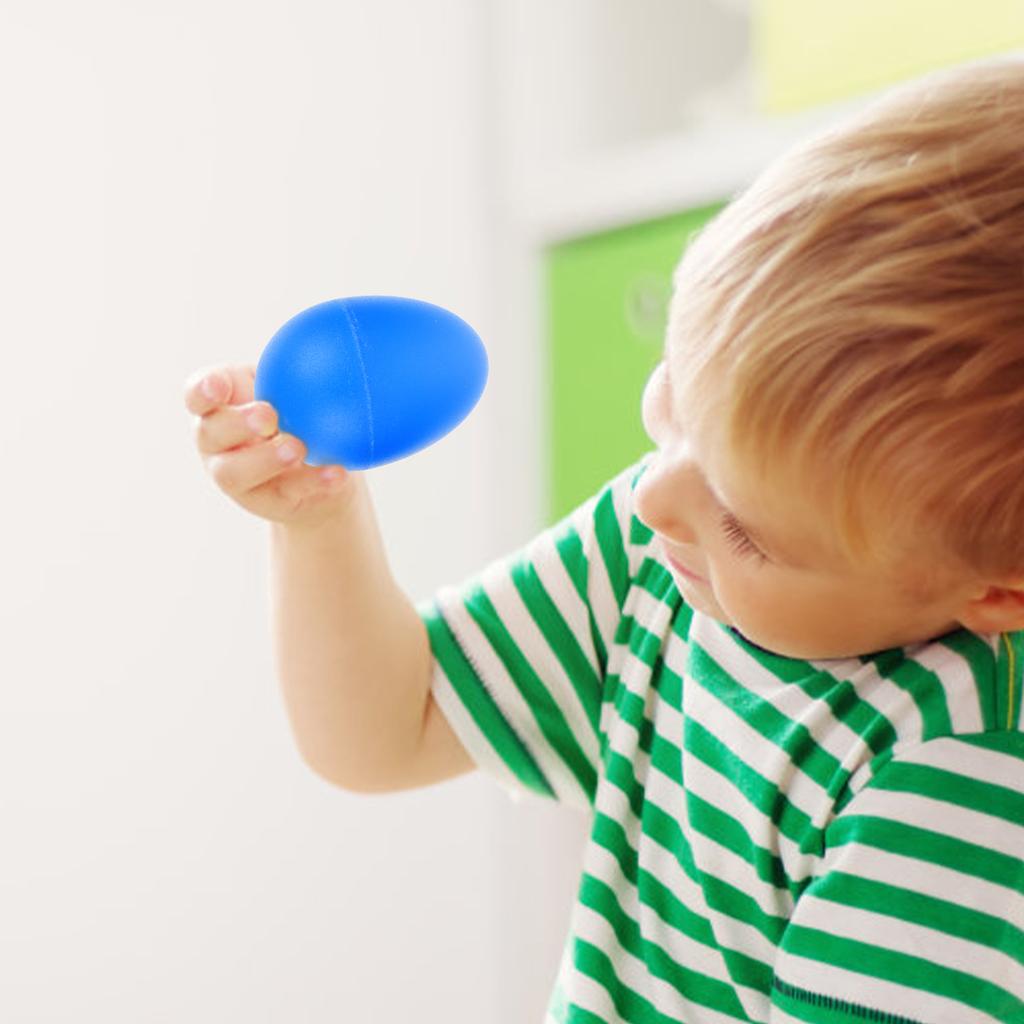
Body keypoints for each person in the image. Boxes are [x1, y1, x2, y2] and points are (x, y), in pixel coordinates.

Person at [184, 54, 1024, 1024]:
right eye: (675, 399)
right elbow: (386, 728)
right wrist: (316, 522)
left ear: (997, 594)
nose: (658, 495)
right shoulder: (673, 553)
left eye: (746, 527)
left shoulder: (958, 778)